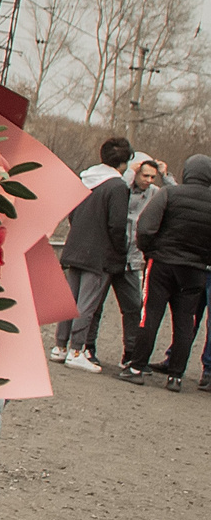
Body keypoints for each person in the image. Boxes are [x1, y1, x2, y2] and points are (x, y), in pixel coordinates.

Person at [50, 136, 135, 373]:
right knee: (86, 304)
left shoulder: (87, 178)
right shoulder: (117, 186)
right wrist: (120, 250)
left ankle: (60, 346)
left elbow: (72, 213)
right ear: (124, 161)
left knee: (71, 301)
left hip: (74, 246)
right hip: (97, 254)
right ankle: (77, 350)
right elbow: (117, 225)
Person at [131, 156, 211, 390]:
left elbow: (146, 227)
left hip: (163, 262)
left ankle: (136, 367)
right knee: (186, 320)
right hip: (196, 269)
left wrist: (150, 250)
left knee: (151, 314)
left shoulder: (170, 194)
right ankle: (175, 376)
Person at [117, 156, 165, 382]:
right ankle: (86, 347)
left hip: (134, 259)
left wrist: (165, 175)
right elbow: (121, 184)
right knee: (94, 305)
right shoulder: (123, 188)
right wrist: (130, 173)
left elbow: (178, 194)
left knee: (134, 307)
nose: (148, 180)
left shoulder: (155, 192)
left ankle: (130, 353)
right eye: (144, 175)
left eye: (152, 177)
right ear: (135, 173)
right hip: (114, 253)